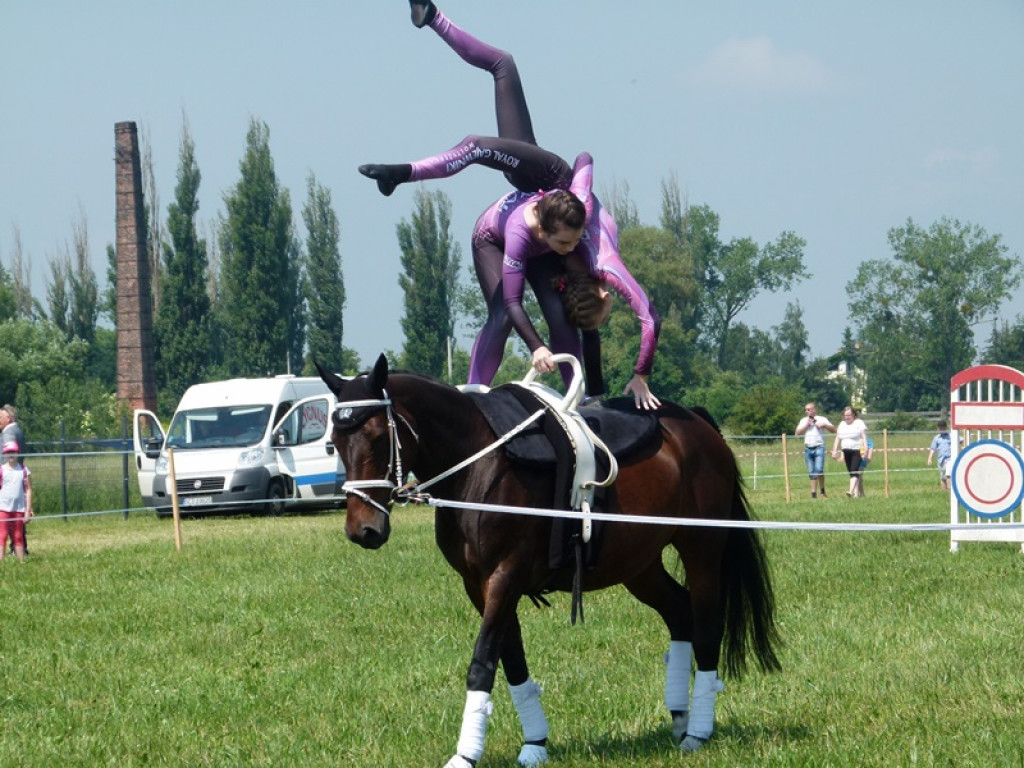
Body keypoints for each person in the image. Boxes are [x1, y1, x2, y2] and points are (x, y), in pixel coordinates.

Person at [360, 2, 662, 409]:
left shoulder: (569, 269)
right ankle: (403, 172)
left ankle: (577, 403)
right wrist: (641, 372)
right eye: (565, 245)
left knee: (557, 318)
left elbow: (588, 333)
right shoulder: (599, 256)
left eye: (566, 246)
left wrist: (597, 394)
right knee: (480, 135)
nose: (569, 250)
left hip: (535, 212)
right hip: (546, 179)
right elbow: (585, 158)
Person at [0, 404, 27, 554]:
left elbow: (7, 458)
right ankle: (19, 548)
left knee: (8, 513)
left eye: (0, 417)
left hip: (8, 479)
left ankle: (15, 548)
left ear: (9, 419)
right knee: (16, 513)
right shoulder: (18, 430)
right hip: (16, 477)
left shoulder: (8, 433)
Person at [795, 402, 836, 499]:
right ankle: (813, 494)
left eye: (809, 409)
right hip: (808, 448)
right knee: (811, 472)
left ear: (814, 410)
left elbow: (834, 430)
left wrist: (824, 425)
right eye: (806, 410)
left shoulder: (822, 419)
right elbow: (797, 434)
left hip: (819, 447)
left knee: (819, 470)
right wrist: (806, 426)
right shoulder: (803, 420)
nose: (807, 411)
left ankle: (822, 491)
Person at [0, 441, 33, 562]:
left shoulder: (23, 470)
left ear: (18, 453)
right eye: (8, 452)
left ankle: (21, 562)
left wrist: (28, 510)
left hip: (19, 509)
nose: (11, 454)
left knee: (18, 535)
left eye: (13, 451)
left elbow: (28, 490)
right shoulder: (1, 470)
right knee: (2, 534)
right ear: (4, 454)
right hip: (3, 508)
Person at [831, 406, 868, 498]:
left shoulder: (859, 423)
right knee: (851, 472)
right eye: (845, 415)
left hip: (857, 450)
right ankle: (856, 495)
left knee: (854, 470)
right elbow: (838, 438)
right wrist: (834, 450)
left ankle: (851, 491)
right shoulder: (842, 424)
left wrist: (865, 449)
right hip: (846, 451)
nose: (847, 417)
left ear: (854, 415)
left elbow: (863, 437)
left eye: (849, 415)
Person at [926, 420, 952, 491]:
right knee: (943, 477)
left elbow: (961, 439)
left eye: (943, 428)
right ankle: (944, 491)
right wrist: (930, 459)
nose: (941, 430)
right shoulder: (936, 438)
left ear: (946, 428)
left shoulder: (951, 436)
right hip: (941, 460)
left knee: (948, 474)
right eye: (940, 428)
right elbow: (933, 449)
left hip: (949, 459)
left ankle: (950, 490)